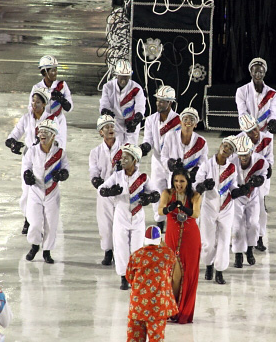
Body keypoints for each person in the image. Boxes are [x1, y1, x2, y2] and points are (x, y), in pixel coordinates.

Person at [100, 144, 160, 290]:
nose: (122, 160)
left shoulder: (143, 177)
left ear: (135, 160)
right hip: (121, 216)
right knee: (121, 247)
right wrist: (110, 191)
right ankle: (123, 277)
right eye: (122, 157)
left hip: (138, 217)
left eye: (126, 157)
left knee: (137, 248)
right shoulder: (117, 176)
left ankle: (136, 275)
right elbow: (102, 189)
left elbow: (156, 194)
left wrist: (149, 198)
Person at [124, 225, 177, 342]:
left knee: (134, 338)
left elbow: (129, 277)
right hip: (157, 308)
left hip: (137, 306)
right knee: (155, 340)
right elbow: (172, 264)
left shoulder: (136, 255)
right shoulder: (167, 254)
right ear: (159, 239)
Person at [5, 87, 60, 235]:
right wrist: (13, 144)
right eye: (33, 101)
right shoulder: (26, 118)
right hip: (29, 158)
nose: (34, 104)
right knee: (27, 191)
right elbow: (13, 135)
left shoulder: (51, 120)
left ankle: (43, 222)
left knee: (44, 192)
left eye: (37, 102)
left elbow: (58, 141)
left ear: (44, 104)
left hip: (46, 159)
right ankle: (28, 219)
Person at [194, 136, 244, 285]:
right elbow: (196, 184)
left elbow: (232, 186)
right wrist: (203, 186)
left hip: (226, 207)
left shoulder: (232, 168)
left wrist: (238, 191)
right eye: (225, 145)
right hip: (209, 206)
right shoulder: (207, 165)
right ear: (220, 145)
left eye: (229, 148)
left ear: (231, 154)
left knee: (224, 239)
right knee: (208, 241)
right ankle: (208, 265)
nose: (225, 148)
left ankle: (220, 271)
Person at [22, 119, 70, 264]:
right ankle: (35, 245)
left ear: (53, 135)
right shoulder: (33, 150)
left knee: (51, 223)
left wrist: (62, 174)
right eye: (41, 131)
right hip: (36, 191)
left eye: (46, 132)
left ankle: (47, 251)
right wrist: (27, 174)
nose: (42, 134)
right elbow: (26, 166)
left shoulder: (60, 153)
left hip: (52, 192)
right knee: (35, 222)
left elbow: (66, 169)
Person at [158, 168, 201, 324]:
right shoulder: (167, 193)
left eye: (182, 181)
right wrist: (170, 207)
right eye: (176, 181)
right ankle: (171, 308)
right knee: (174, 275)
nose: (178, 184)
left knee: (187, 274)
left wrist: (182, 208)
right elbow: (160, 210)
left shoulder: (195, 195)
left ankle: (181, 310)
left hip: (191, 238)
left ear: (188, 182)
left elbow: (196, 214)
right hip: (172, 237)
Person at [141, 85, 181, 233]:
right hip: (157, 161)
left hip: (173, 162)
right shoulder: (150, 120)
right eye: (157, 100)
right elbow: (148, 139)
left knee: (174, 191)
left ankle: (174, 219)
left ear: (170, 103)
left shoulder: (178, 121)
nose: (158, 103)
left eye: (162, 101)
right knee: (157, 189)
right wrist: (144, 147)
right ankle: (159, 220)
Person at [88, 114, 122, 266]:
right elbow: (93, 171)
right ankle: (108, 252)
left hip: (121, 193)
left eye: (112, 126)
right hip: (104, 193)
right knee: (105, 223)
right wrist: (98, 182)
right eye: (106, 127)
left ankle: (120, 252)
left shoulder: (124, 148)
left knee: (120, 223)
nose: (110, 129)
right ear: (100, 132)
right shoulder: (95, 152)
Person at [229, 135, 267, 269]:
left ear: (251, 151)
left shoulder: (260, 161)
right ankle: (238, 254)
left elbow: (264, 175)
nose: (243, 157)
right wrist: (237, 190)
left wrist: (258, 181)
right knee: (237, 225)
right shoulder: (231, 161)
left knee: (253, 224)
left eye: (246, 154)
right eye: (241, 154)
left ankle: (250, 249)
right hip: (237, 197)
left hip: (253, 196)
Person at [238, 113, 274, 252]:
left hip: (260, 175)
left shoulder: (267, 139)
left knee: (260, 209)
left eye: (255, 129)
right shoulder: (238, 140)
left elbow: (269, 158)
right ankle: (240, 239)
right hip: (244, 177)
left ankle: (259, 237)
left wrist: (267, 169)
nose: (254, 133)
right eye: (249, 132)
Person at [29, 55, 73, 146]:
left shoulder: (62, 86)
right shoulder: (37, 88)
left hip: (59, 123)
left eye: (56, 69)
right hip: (43, 125)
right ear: (44, 72)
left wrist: (62, 100)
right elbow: (31, 109)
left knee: (58, 151)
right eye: (52, 70)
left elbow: (70, 108)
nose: (55, 73)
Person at [100, 59, 145, 145]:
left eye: (126, 76)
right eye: (121, 76)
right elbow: (104, 103)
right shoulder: (108, 87)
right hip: (115, 123)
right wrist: (106, 111)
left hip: (131, 122)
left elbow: (140, 105)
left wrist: (136, 119)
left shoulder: (136, 88)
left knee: (129, 151)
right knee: (115, 150)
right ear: (117, 75)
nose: (124, 79)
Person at [160, 107, 207, 184]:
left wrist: (196, 172)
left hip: (191, 180)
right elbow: (163, 157)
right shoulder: (170, 136)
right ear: (180, 122)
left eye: (192, 120)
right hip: (174, 178)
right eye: (185, 119)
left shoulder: (201, 141)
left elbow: (203, 163)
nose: (188, 122)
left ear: (195, 124)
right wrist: (170, 163)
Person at [235, 57, 276, 134]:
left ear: (264, 73)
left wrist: (272, 121)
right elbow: (242, 112)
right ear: (251, 73)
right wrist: (250, 127)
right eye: (255, 72)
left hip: (265, 132)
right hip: (248, 132)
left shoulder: (272, 93)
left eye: (261, 72)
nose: (258, 75)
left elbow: (273, 112)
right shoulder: (241, 91)